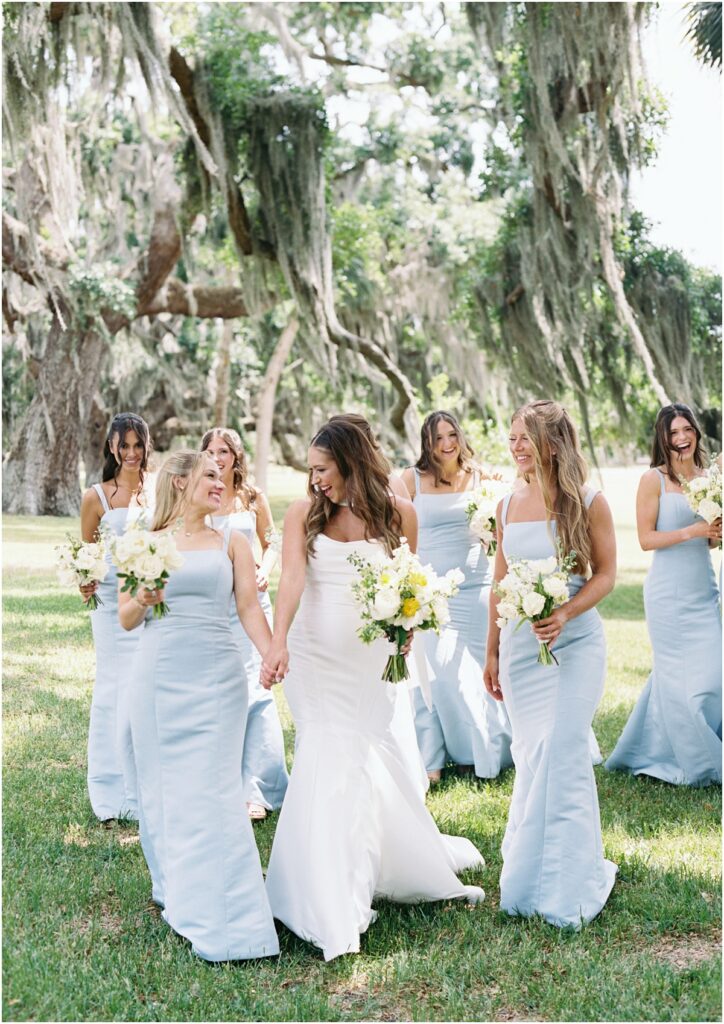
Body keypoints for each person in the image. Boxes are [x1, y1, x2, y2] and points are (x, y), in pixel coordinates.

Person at [261, 418, 485, 961]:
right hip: (315, 656)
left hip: (371, 659)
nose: (315, 481)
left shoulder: (398, 514)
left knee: (356, 755)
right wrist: (278, 642)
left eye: (323, 470)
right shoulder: (302, 514)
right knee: (325, 753)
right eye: (311, 471)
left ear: (351, 463)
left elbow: (408, 583)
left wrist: (405, 633)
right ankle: (328, 889)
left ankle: (351, 876)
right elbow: (290, 580)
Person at [120, 450, 279, 961]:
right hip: (159, 679)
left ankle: (229, 908)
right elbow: (125, 618)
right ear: (181, 482)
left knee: (213, 787)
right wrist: (143, 598)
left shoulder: (234, 540)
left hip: (217, 679)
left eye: (223, 474)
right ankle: (178, 890)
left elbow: (249, 608)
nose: (221, 481)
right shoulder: (148, 542)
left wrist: (272, 650)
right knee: (164, 787)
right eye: (209, 475)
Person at [484, 400, 617, 928]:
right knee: (533, 752)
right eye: (512, 437)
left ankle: (571, 883)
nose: (516, 447)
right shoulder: (505, 504)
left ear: (553, 443)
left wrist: (564, 613)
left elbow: (606, 575)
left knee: (563, 748)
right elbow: (499, 582)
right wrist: (492, 649)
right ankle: (526, 876)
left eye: (525, 437)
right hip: (521, 650)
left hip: (576, 641)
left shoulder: (588, 500)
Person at [606, 403, 722, 786]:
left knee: (710, 674)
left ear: (696, 432)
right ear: (663, 438)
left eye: (687, 429)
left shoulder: (710, 478)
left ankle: (659, 746)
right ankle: (697, 761)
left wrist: (714, 536)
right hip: (667, 595)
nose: (682, 438)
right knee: (675, 679)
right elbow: (645, 539)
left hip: (703, 589)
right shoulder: (652, 480)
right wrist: (694, 532)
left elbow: (708, 540)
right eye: (673, 433)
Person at [401, 411, 513, 782]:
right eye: (438, 439)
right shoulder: (410, 480)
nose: (447, 444)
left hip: (479, 587)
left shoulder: (483, 478)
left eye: (452, 435)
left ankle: (482, 753)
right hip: (435, 594)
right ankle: (454, 750)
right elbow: (397, 535)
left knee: (481, 674)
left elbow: (501, 528)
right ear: (426, 445)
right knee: (443, 675)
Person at [201, 427, 289, 821]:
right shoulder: (201, 493)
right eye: (210, 450)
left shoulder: (252, 499)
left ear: (236, 456)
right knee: (222, 691)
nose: (217, 457)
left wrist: (266, 570)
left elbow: (272, 543)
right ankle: (220, 783)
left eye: (224, 451)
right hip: (215, 605)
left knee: (258, 692)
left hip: (253, 602)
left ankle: (258, 788)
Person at [79, 411, 151, 821]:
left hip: (144, 603)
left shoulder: (156, 493)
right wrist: (84, 581)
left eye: (138, 445)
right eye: (124, 445)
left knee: (141, 687)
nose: (131, 453)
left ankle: (142, 783)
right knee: (112, 688)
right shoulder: (97, 496)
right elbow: (86, 553)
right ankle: (109, 788)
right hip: (108, 606)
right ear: (111, 447)